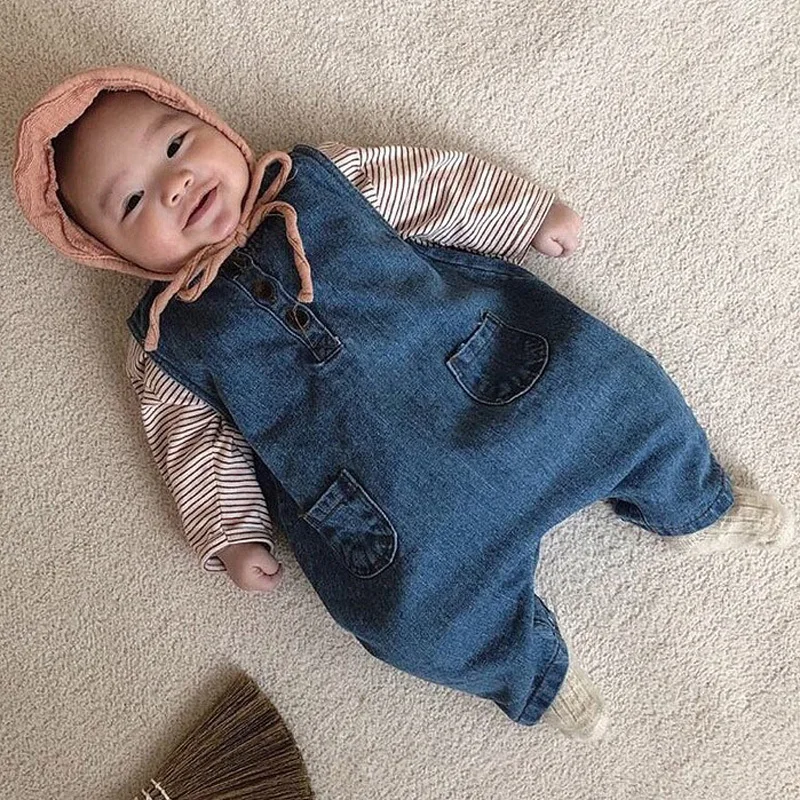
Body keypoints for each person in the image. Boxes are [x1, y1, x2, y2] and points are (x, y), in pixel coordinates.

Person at [14, 66, 794, 742]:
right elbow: (193, 445)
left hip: (502, 390)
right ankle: (526, 671)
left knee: (619, 393)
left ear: (213, 124)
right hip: (389, 516)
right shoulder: (168, 340)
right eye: (133, 202)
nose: (175, 184)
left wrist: (525, 215)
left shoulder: (321, 182)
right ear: (112, 255)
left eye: (176, 145)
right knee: (406, 623)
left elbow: (438, 187)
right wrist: (231, 535)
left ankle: (693, 500)